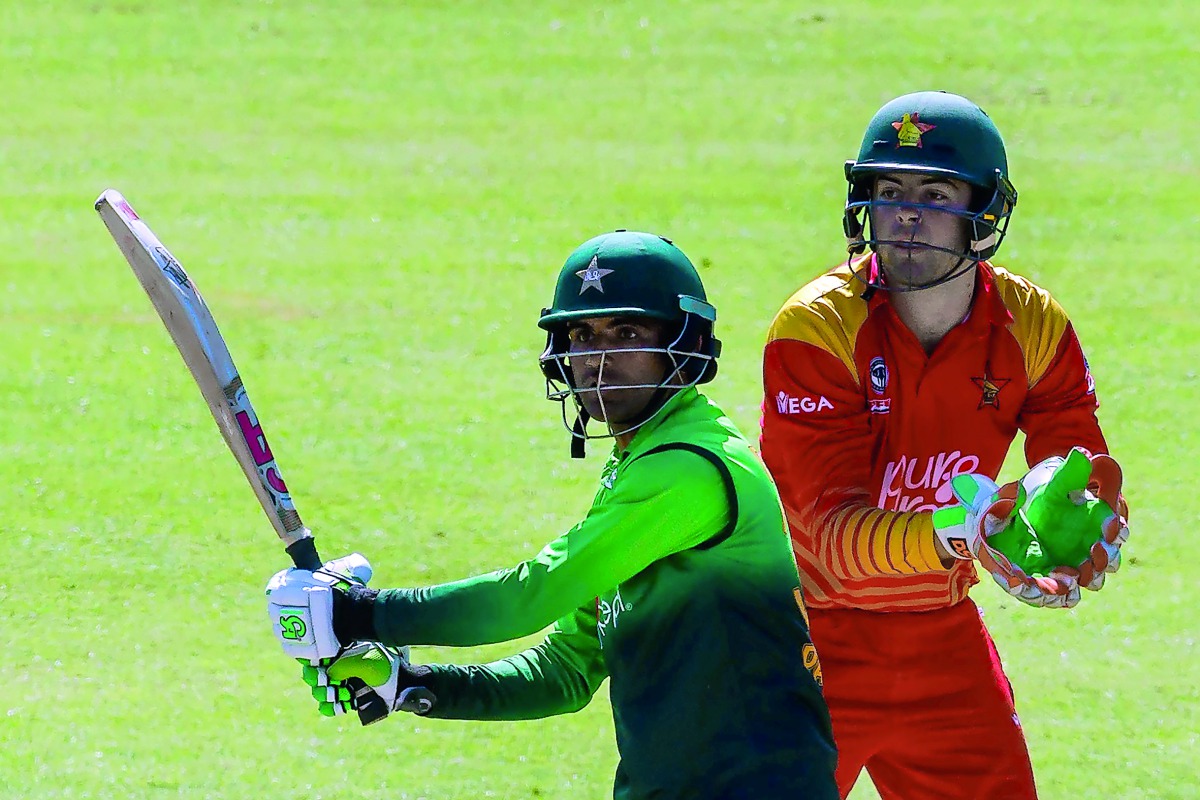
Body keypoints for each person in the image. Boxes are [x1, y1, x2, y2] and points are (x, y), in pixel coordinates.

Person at [267, 230, 839, 800]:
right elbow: (564, 670)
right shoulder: (637, 464)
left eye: (628, 332)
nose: (598, 359)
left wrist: (363, 614)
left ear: (683, 343)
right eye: (582, 335)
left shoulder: (690, 470)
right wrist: (409, 685)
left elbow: (530, 597)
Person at [759, 91, 1130, 799]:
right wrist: (971, 529)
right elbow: (830, 540)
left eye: (935, 193)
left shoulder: (1033, 325)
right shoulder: (815, 329)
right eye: (889, 190)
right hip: (805, 641)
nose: (906, 214)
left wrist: (1065, 522)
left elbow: (1074, 458)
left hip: (943, 639)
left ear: (985, 211)